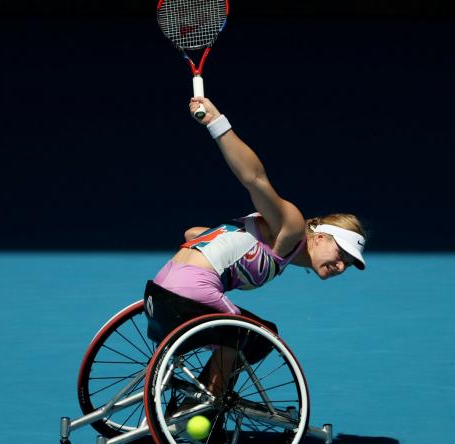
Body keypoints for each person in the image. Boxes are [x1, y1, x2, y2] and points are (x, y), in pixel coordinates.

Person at [144, 96, 367, 401]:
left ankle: (197, 402)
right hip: (189, 293)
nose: (340, 266)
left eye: (348, 265)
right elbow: (255, 179)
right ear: (320, 236)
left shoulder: (277, 246)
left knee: (248, 332)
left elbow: (192, 234)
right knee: (257, 336)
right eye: (340, 253)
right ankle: (207, 405)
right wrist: (216, 122)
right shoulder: (290, 227)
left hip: (159, 291)